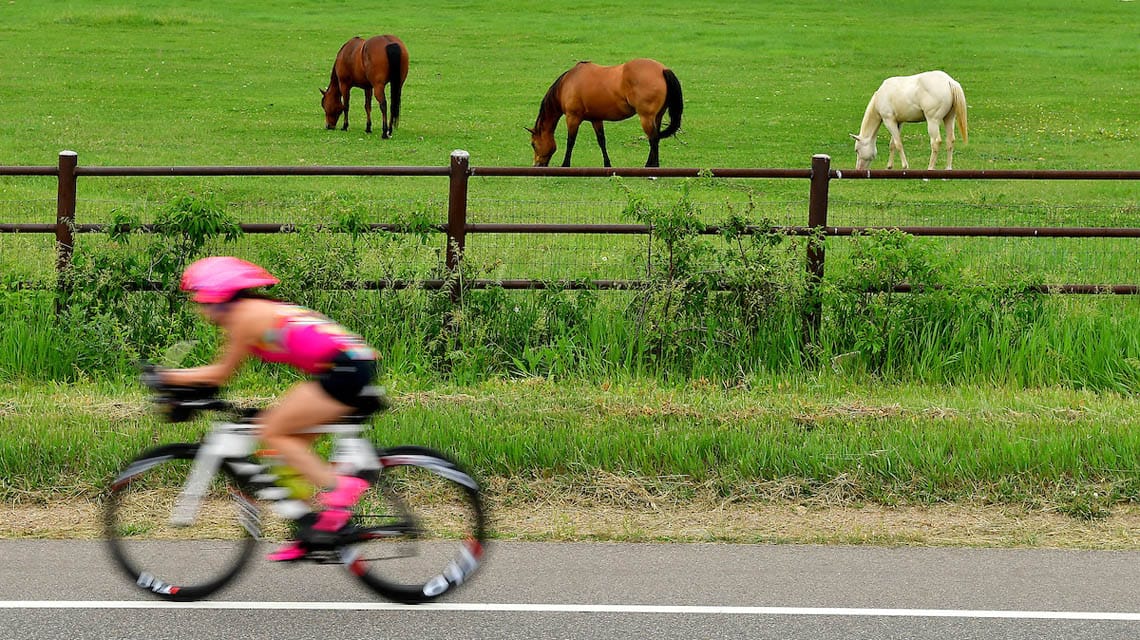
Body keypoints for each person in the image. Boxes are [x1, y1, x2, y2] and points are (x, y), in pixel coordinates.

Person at [160, 256, 379, 561]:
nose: (199, 308)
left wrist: (166, 376)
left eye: (200, 299)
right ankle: (311, 529)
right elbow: (218, 381)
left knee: (273, 430)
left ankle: (340, 487)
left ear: (217, 295)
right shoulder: (254, 311)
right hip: (344, 366)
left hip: (344, 370)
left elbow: (221, 373)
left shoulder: (244, 317)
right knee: (284, 453)